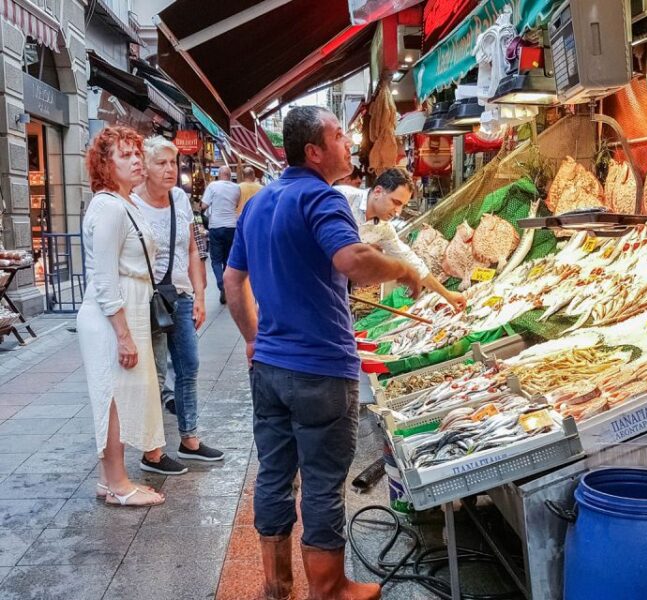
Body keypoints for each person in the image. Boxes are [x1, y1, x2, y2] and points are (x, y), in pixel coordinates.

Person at [224, 105, 422, 600]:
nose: (348, 142)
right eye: (339, 135)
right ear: (314, 151)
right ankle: (329, 589)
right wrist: (404, 271)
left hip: (269, 368)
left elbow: (232, 281)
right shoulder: (323, 198)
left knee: (274, 474)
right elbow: (352, 260)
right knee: (320, 481)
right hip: (320, 372)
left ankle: (276, 584)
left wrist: (253, 337)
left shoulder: (261, 202)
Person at [77, 125, 165, 507]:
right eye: (125, 155)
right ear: (104, 164)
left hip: (126, 309)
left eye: (136, 153)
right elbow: (104, 277)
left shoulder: (123, 202)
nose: (135, 160)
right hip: (112, 315)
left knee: (120, 394)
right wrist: (124, 335)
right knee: (112, 396)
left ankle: (109, 479)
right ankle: (118, 483)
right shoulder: (110, 207)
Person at [133, 135, 225, 474]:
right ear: (144, 167)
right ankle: (152, 451)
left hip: (181, 295)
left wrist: (201, 296)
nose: (170, 169)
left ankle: (189, 440)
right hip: (147, 298)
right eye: (162, 163)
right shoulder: (131, 203)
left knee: (189, 365)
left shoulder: (180, 199)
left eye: (173, 162)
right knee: (155, 374)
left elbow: (192, 251)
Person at [336, 167, 467, 312]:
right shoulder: (341, 197)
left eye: (402, 206)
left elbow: (412, 261)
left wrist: (447, 295)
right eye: (396, 202)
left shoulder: (384, 228)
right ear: (378, 192)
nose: (398, 212)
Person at [201, 165, 240, 304]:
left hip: (216, 226)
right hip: (231, 226)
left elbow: (204, 206)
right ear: (230, 175)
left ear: (219, 174)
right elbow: (235, 205)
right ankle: (227, 287)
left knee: (216, 260)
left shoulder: (213, 186)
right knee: (228, 259)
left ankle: (221, 284)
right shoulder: (236, 188)